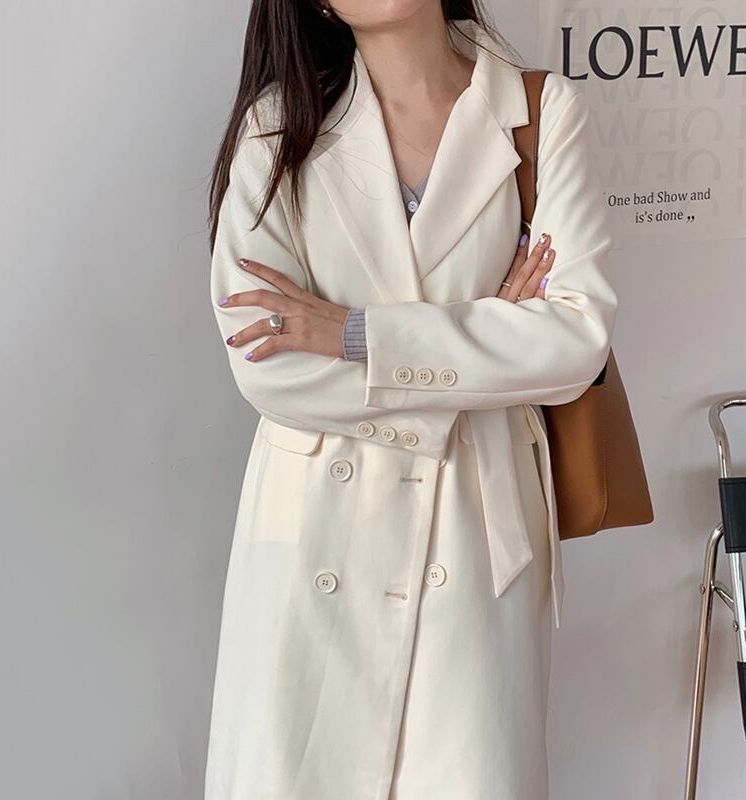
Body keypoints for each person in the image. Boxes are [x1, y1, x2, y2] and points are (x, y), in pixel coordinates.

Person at [204, 2, 618, 798]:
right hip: (317, 535)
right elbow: (267, 366)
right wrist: (489, 341)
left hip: (472, 537)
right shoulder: (277, 128)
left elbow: (575, 341)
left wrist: (354, 335)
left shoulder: (541, 112)